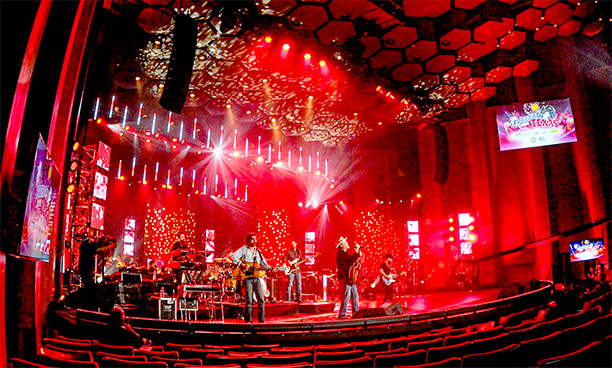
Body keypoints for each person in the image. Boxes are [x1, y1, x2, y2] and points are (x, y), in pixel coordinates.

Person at [231, 233, 272, 323]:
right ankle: (248, 321)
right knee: (249, 300)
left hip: (256, 277)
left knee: (261, 299)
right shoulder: (244, 249)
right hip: (247, 277)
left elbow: (262, 262)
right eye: (252, 239)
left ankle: (261, 320)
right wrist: (242, 265)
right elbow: (233, 256)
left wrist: (269, 267)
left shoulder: (258, 252)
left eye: (255, 239)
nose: (254, 241)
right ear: (248, 241)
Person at [336, 236, 362, 319]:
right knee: (346, 296)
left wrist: (357, 252)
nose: (347, 243)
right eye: (345, 242)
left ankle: (355, 313)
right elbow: (351, 261)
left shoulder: (344, 254)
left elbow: (352, 260)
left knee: (355, 295)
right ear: (341, 245)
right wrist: (356, 251)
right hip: (345, 278)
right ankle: (342, 315)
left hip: (350, 279)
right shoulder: (341, 254)